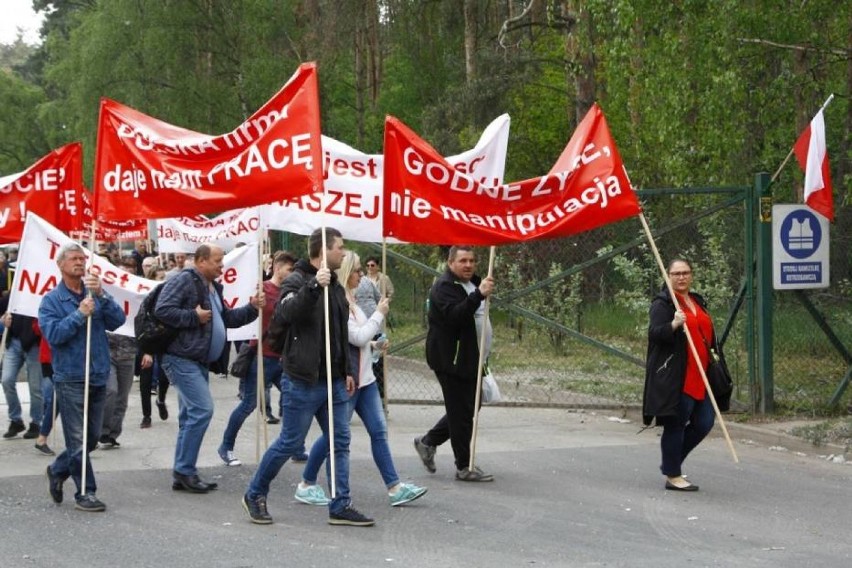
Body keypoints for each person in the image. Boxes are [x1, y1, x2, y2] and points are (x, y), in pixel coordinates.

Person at [242, 227, 373, 527]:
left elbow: (340, 334)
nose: (343, 252)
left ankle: (340, 504)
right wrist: (314, 286)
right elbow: (286, 313)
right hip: (302, 379)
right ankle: (255, 493)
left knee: (339, 441)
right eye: (339, 247)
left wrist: (347, 371)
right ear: (323, 250)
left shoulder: (337, 288)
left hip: (334, 382)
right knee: (289, 442)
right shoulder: (298, 280)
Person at [296, 251, 427, 508]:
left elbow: (361, 340)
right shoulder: (337, 301)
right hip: (350, 380)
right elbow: (355, 337)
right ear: (347, 273)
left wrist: (376, 345)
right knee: (334, 435)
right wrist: (378, 314)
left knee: (378, 431)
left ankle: (395, 487)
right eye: (357, 270)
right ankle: (307, 483)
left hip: (365, 379)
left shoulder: (352, 300)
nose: (361, 275)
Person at [154, 244, 260, 493]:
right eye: (217, 261)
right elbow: (162, 310)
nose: (222, 267)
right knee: (202, 410)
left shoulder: (212, 287)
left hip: (197, 360)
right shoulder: (185, 280)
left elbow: (226, 319)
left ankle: (182, 471)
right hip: (180, 358)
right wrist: (194, 317)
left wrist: (253, 308)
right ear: (201, 261)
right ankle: (185, 470)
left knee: (189, 416)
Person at [39, 242, 126, 512]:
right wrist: (79, 314)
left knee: (91, 438)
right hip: (71, 377)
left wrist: (102, 295)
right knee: (77, 439)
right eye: (74, 259)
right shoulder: (52, 301)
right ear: (61, 264)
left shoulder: (94, 292)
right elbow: (54, 336)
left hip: (98, 374)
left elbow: (118, 320)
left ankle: (57, 469)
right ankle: (85, 492)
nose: (80, 263)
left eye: (83, 259)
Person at [413, 245, 495, 482]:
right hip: (452, 360)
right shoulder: (444, 287)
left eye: (471, 260)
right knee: (461, 414)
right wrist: (479, 294)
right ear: (450, 263)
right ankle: (463, 466)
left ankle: (428, 442)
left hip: (472, 358)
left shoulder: (471, 283)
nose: (468, 265)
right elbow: (455, 316)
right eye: (463, 261)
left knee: (470, 407)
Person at [642, 258, 716, 492]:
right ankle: (673, 475)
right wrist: (673, 324)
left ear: (691, 275)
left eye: (685, 273)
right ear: (668, 276)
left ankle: (670, 462)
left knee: (704, 423)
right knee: (675, 425)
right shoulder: (663, 304)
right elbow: (654, 334)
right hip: (677, 376)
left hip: (701, 373)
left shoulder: (696, 300)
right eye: (676, 274)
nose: (681, 277)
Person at [218, 250, 296, 466]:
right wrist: (255, 303)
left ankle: (295, 446)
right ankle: (226, 446)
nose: (292, 274)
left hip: (284, 358)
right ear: (277, 267)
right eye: (289, 269)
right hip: (262, 356)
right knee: (249, 404)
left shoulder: (292, 291)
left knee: (293, 401)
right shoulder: (262, 288)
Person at [99, 257, 144, 448]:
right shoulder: (105, 295)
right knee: (110, 390)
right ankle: (101, 431)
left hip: (128, 352)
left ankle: (112, 434)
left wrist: (147, 351)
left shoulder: (139, 294)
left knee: (122, 398)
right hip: (106, 350)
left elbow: (145, 323)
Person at [1, 296, 45, 440]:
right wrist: (3, 321)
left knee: (35, 387)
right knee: (6, 380)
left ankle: (36, 422)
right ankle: (16, 420)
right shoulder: (14, 293)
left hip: (34, 345)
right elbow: (2, 312)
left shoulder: (42, 294)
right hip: (14, 341)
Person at [139, 265, 169, 428]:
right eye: (159, 278)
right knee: (145, 380)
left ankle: (161, 400)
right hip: (147, 342)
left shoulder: (170, 296)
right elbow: (140, 324)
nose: (163, 281)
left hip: (164, 342)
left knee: (164, 377)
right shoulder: (145, 298)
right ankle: (146, 415)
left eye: (165, 277)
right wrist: (146, 350)